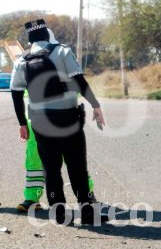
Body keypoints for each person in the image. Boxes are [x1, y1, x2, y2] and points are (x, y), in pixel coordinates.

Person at [10, 19, 106, 224]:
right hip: (68, 118)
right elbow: (79, 80)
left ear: (30, 40)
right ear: (47, 35)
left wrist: (22, 124)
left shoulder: (21, 60)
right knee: (77, 165)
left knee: (51, 169)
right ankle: (88, 211)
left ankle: (59, 213)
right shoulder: (62, 51)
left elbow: (16, 95)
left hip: (40, 122)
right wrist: (95, 105)